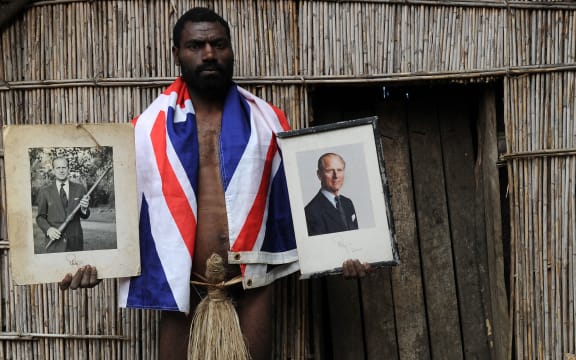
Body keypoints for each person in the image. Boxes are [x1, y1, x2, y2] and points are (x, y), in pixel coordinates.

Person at [59, 8, 371, 359]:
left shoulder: (268, 121)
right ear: (176, 53)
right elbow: (124, 208)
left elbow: (296, 204)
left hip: (252, 281)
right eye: (196, 45)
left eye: (218, 44)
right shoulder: (145, 130)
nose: (209, 53)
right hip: (183, 284)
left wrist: (347, 250)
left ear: (230, 49)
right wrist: (90, 263)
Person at [36, 157, 90, 252]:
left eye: (64, 167)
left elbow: (85, 215)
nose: (61, 171)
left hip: (75, 243)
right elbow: (40, 217)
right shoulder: (45, 191)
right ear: (53, 170)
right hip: (55, 243)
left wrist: (84, 209)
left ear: (68, 169)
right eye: (58, 168)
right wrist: (48, 229)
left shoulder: (79, 188)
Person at [305, 153, 359, 236]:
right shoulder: (311, 212)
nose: (336, 175)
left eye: (339, 170)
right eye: (330, 170)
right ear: (319, 175)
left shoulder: (348, 203)